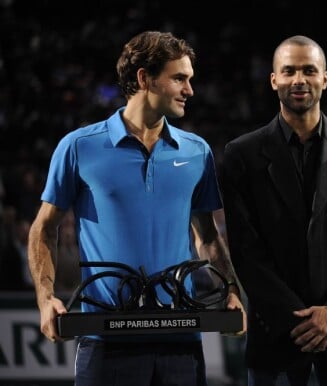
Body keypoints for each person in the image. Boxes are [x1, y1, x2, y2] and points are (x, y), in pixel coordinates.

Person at [27, 30, 246, 386]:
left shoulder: (197, 151)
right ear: (144, 78)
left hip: (181, 342)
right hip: (105, 342)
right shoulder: (79, 147)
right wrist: (45, 298)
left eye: (189, 79)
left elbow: (206, 235)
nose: (189, 90)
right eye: (179, 78)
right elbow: (43, 228)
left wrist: (232, 290)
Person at [220, 35, 327, 386]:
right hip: (277, 338)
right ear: (273, 80)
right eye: (289, 70)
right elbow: (246, 252)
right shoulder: (241, 155)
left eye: (309, 70)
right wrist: (296, 320)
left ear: (324, 79)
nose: (299, 79)